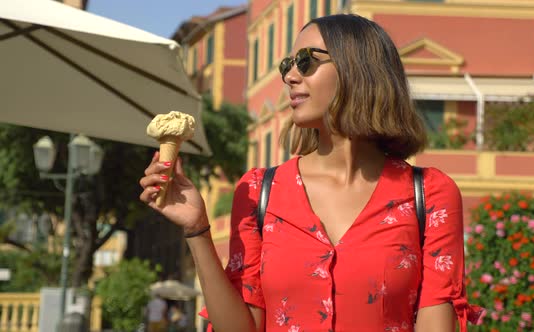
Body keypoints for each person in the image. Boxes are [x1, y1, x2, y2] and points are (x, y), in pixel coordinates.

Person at [140, 14, 484, 332]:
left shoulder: (430, 195)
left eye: (306, 61)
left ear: (358, 70)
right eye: (288, 64)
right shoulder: (260, 191)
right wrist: (198, 230)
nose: (290, 76)